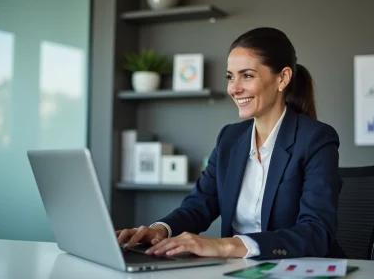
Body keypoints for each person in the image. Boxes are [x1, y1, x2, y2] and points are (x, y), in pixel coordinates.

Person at [116, 27, 345, 260]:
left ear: (283, 78)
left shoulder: (315, 139)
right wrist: (160, 230)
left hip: (293, 269)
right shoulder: (229, 138)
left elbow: (316, 233)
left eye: (247, 75)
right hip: (238, 271)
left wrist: (225, 246)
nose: (233, 89)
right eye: (230, 76)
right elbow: (198, 205)